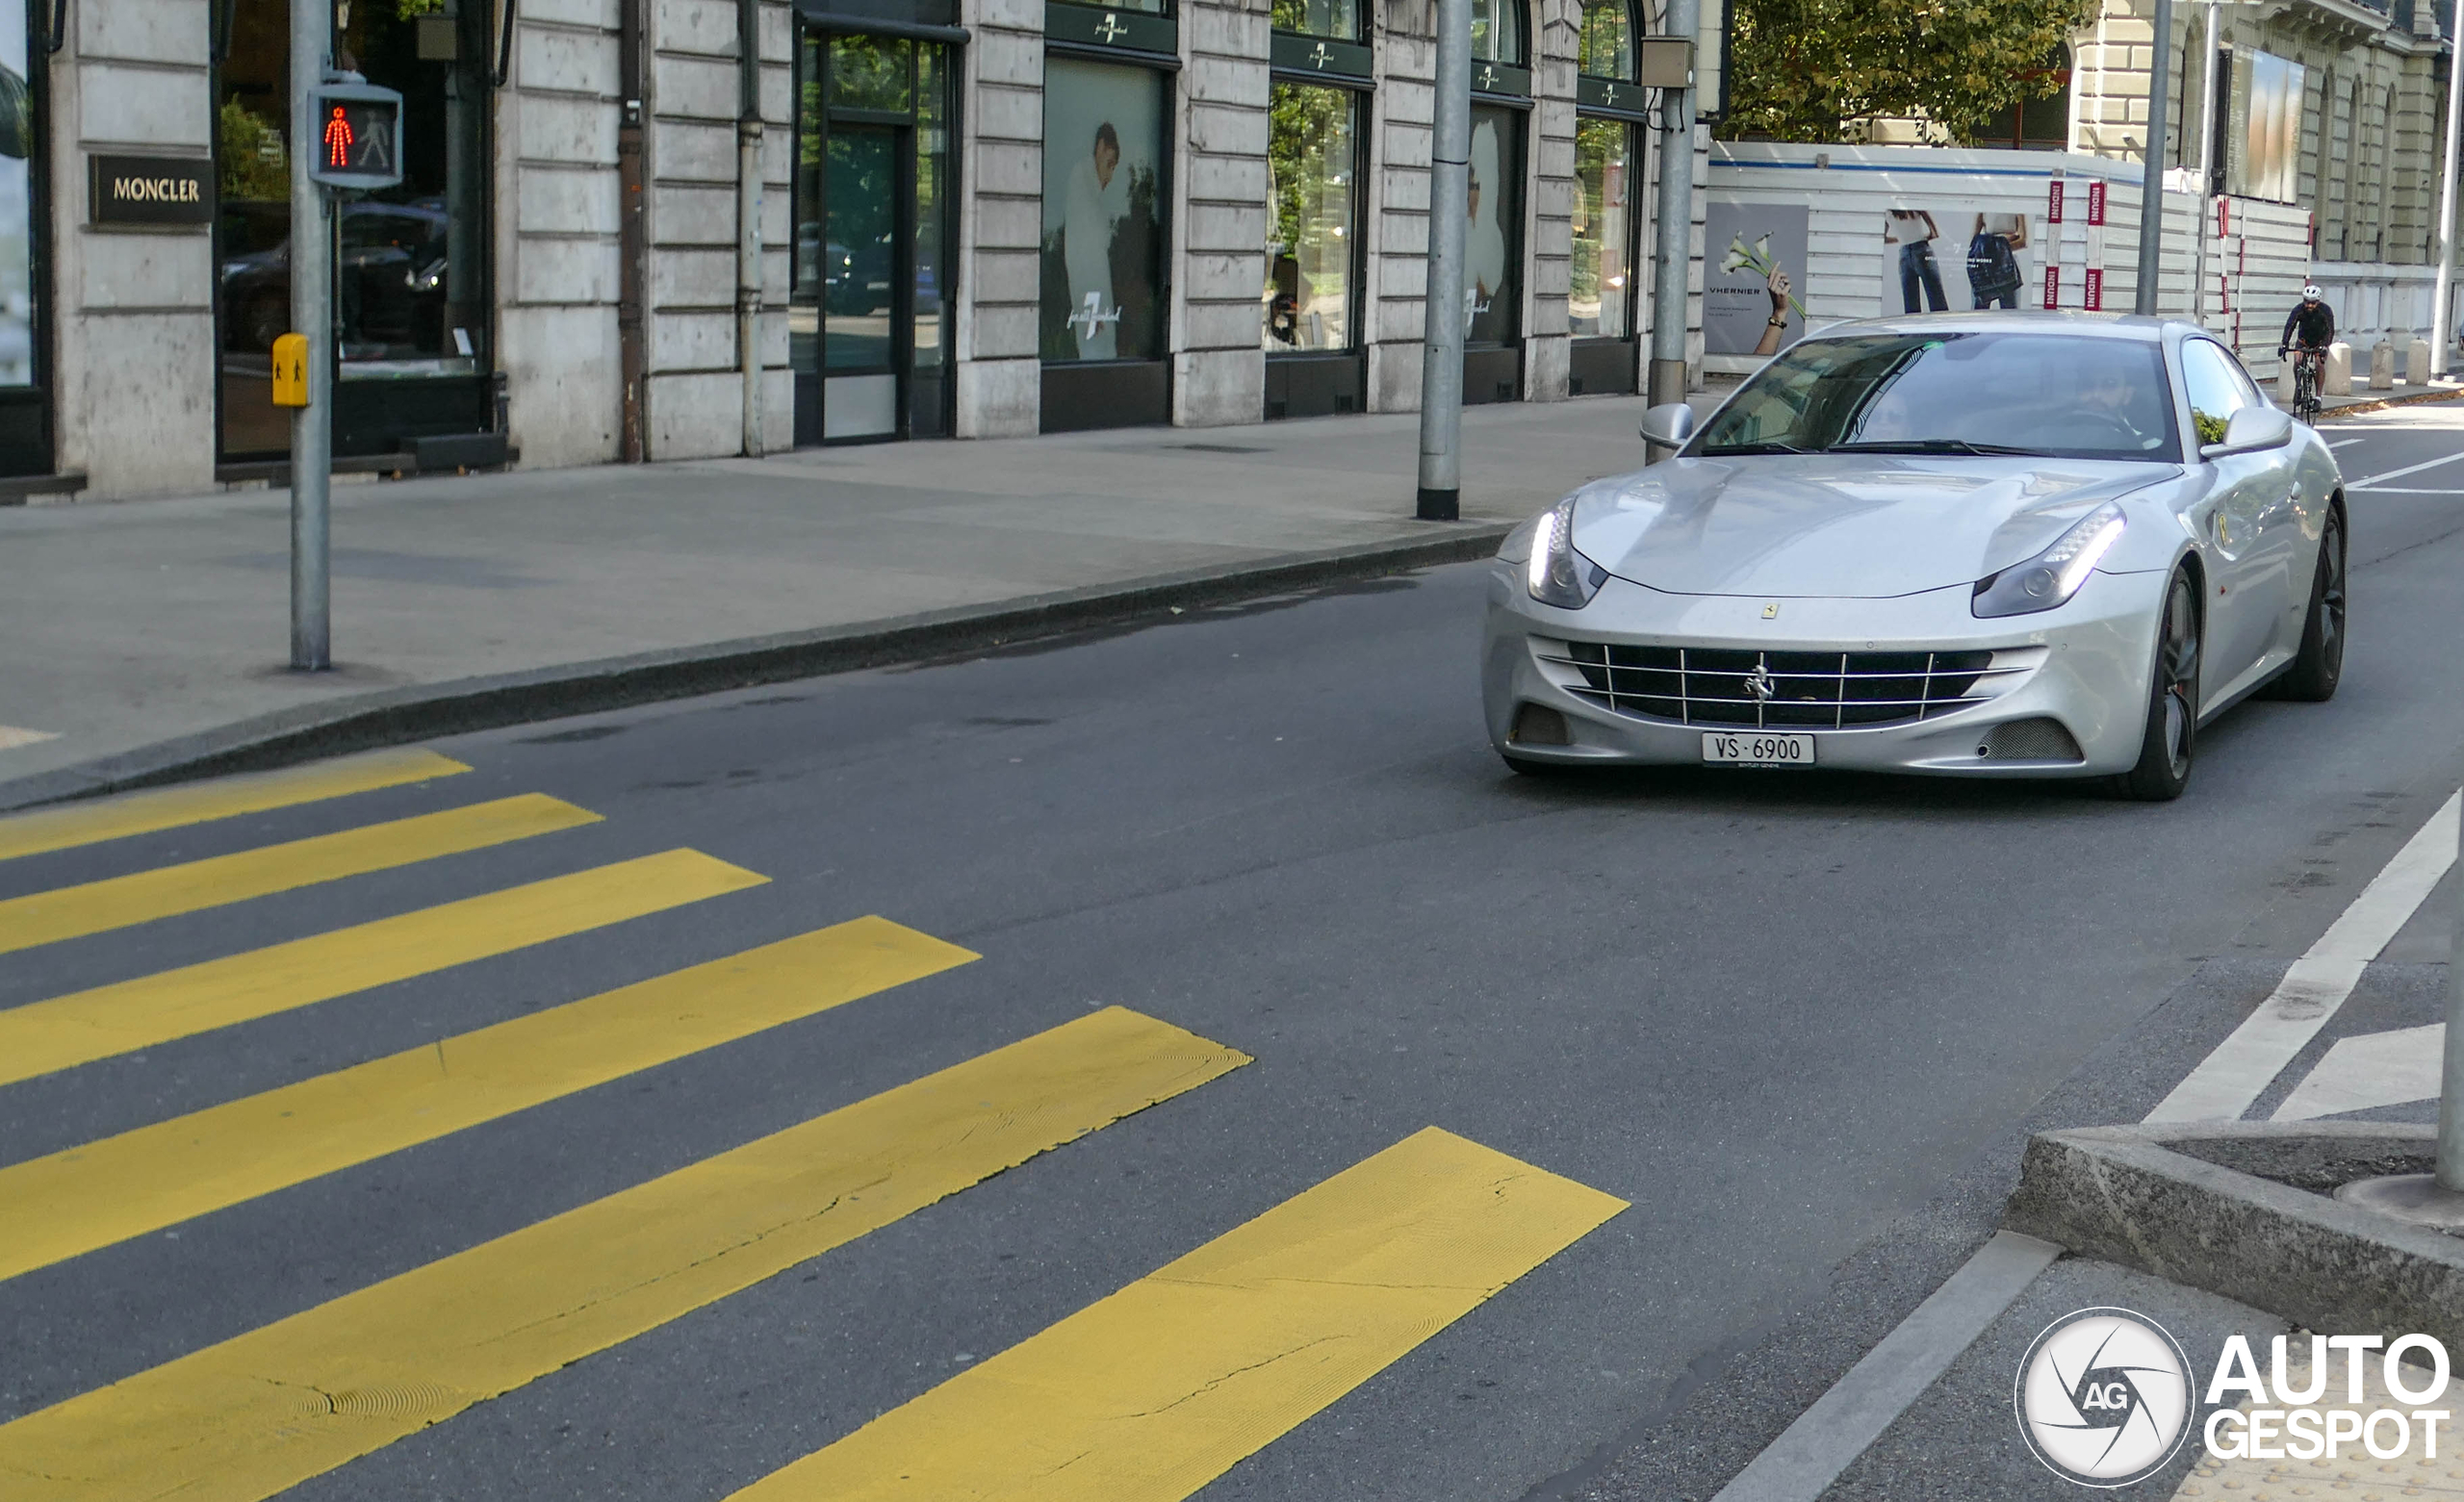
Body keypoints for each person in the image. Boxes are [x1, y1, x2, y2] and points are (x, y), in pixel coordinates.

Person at [1062, 122, 1126, 359]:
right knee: (1095, 356)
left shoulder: (1089, 192)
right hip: (1093, 304)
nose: (1109, 176)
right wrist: (1091, 306)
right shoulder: (1081, 184)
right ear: (1100, 148)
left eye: (1114, 168)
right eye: (1109, 164)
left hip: (1097, 302)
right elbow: (1080, 253)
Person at [1885, 209, 1946, 314]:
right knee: (1937, 301)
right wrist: (1920, 237)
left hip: (1904, 254)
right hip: (1922, 250)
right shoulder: (1916, 206)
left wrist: (1901, 239)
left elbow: (1883, 239)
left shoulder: (1888, 212)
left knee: (1911, 307)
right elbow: (1935, 233)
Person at [1964, 213, 2027, 310]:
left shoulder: (2018, 209)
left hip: (2007, 263)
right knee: (1978, 311)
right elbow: (1974, 242)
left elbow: (2023, 241)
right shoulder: (1983, 207)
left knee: (2010, 312)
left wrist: (1993, 247)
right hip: (1986, 264)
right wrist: (2003, 243)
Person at [2278, 283, 2335, 386]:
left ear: (2318, 301)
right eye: (2307, 302)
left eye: (2313, 303)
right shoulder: (2298, 309)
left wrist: (2326, 345)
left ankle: (2318, 396)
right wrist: (2284, 344)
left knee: (2319, 365)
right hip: (2303, 340)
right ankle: (2299, 386)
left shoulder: (2325, 310)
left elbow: (2330, 330)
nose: (2309, 305)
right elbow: (2290, 326)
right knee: (2297, 362)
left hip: (2320, 341)